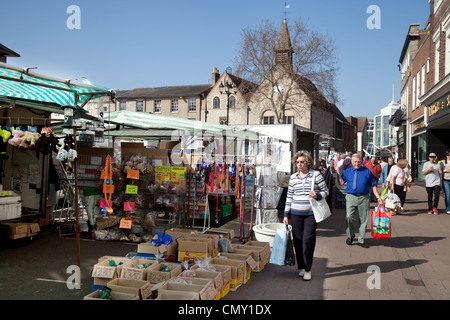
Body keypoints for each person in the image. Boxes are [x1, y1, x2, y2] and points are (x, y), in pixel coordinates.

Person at [283, 150, 329, 281]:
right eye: (297, 162)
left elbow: (326, 191)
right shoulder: (293, 177)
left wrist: (318, 195)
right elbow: (289, 196)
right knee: (297, 240)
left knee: (307, 240)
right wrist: (286, 214)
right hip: (295, 214)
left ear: (307, 162)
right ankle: (301, 267)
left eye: (302, 162)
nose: (299, 164)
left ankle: (308, 269)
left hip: (311, 214)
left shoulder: (316, 175)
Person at [337, 153, 383, 248]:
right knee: (349, 217)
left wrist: (378, 198)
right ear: (352, 162)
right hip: (351, 197)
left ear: (361, 162)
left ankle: (361, 240)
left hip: (364, 197)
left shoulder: (367, 171)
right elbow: (341, 183)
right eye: (355, 162)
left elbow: (373, 186)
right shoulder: (347, 172)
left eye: (358, 162)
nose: (357, 164)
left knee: (363, 219)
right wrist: (338, 173)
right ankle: (350, 235)